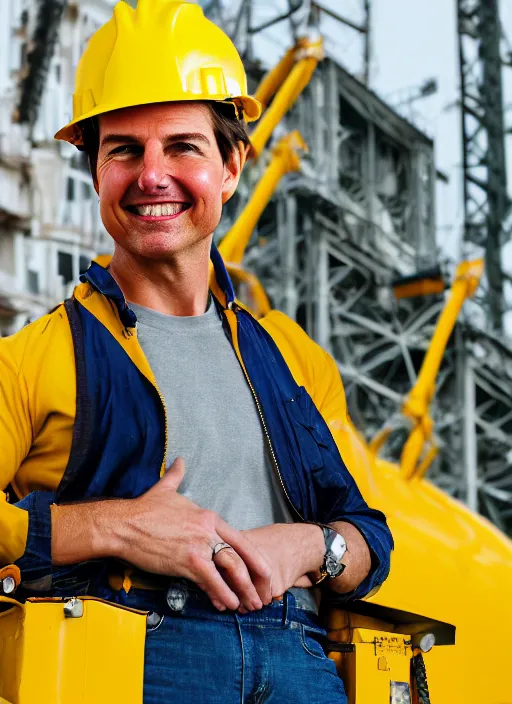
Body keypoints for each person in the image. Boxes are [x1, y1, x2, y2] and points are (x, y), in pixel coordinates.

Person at [0, 1, 393, 702]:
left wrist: (308, 546)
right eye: (124, 149)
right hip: (126, 654)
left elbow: (369, 539)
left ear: (232, 165)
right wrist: (115, 529)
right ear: (95, 172)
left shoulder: (290, 359)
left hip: (302, 657)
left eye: (182, 146)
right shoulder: (36, 358)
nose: (153, 175)